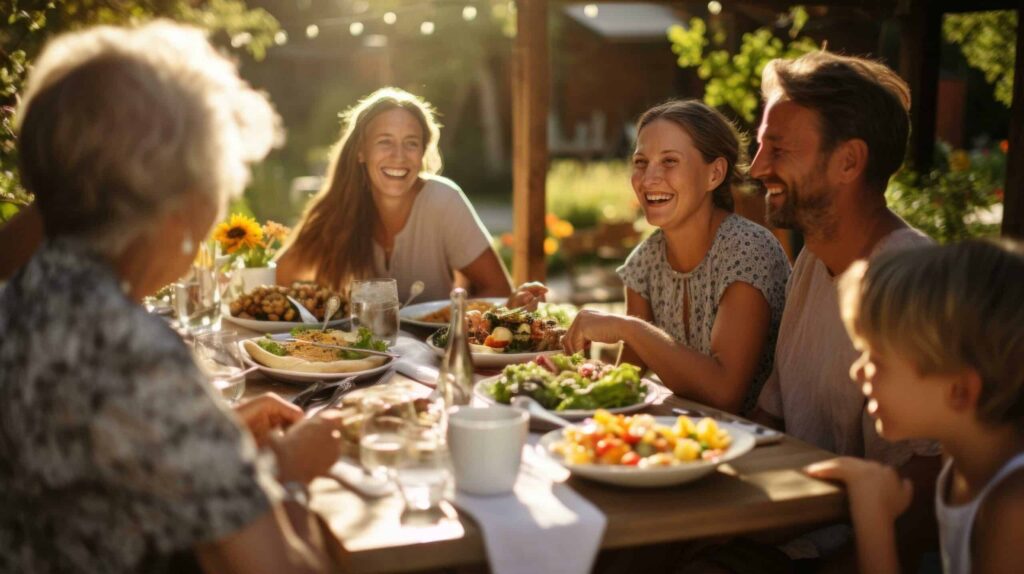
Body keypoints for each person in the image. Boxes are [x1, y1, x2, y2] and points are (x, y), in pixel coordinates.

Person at [0, 22, 343, 573]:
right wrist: (288, 478)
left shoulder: (20, 299)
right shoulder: (132, 350)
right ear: (178, 206)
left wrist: (216, 433)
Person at [746, 51, 942, 566]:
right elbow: (773, 415)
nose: (756, 166)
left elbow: (924, 498)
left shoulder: (911, 285)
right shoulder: (814, 254)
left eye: (779, 148)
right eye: (761, 144)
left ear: (849, 162)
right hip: (779, 534)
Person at [806, 240, 1024, 574]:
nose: (858, 370)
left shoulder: (1013, 509)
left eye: (877, 359)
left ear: (959, 391)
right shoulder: (958, 460)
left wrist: (874, 519)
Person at [562, 100, 790, 415]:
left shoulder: (747, 250)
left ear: (715, 174)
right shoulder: (645, 261)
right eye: (640, 162)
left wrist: (629, 328)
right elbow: (627, 381)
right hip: (688, 442)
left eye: (669, 161)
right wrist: (570, 380)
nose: (648, 178)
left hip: (770, 448)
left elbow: (725, 394)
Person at [275, 87, 512, 302]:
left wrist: (452, 324)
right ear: (361, 152)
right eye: (385, 142)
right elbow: (279, 278)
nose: (399, 156)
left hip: (436, 346)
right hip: (363, 348)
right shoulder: (339, 206)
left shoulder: (444, 200)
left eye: (411, 143)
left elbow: (500, 290)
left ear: (422, 153)